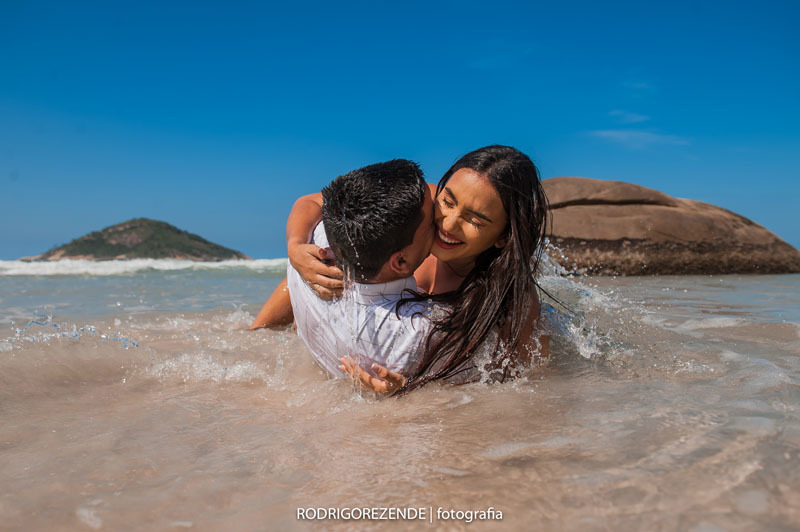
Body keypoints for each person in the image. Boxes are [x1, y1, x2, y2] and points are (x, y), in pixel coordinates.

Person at [252, 145, 550, 394]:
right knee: (330, 255)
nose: (447, 224)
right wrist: (295, 249)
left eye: (475, 220)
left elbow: (525, 386)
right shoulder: (425, 200)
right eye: (448, 201)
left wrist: (414, 391)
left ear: (503, 236)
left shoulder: (511, 301)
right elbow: (317, 202)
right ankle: (255, 329)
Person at [278, 159, 436, 379]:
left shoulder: (311, 244)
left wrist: (295, 245)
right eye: (434, 221)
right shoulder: (415, 330)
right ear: (400, 262)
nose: (443, 220)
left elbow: (309, 201)